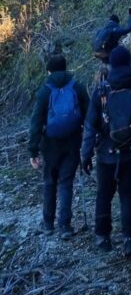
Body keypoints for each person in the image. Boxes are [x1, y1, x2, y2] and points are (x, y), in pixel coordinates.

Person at [80, 45, 131, 257]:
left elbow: (91, 125)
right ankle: (130, 239)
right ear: (129, 62)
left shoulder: (101, 89)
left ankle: (103, 237)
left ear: (111, 64)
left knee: (104, 195)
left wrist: (85, 154)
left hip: (105, 154)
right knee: (128, 195)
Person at [29, 54, 89, 239]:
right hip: (73, 142)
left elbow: (36, 122)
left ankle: (48, 223)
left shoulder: (45, 91)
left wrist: (33, 150)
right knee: (66, 183)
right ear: (65, 67)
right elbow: (89, 116)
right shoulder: (77, 87)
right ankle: (65, 226)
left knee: (49, 181)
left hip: (50, 144)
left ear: (49, 70)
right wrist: (89, 143)